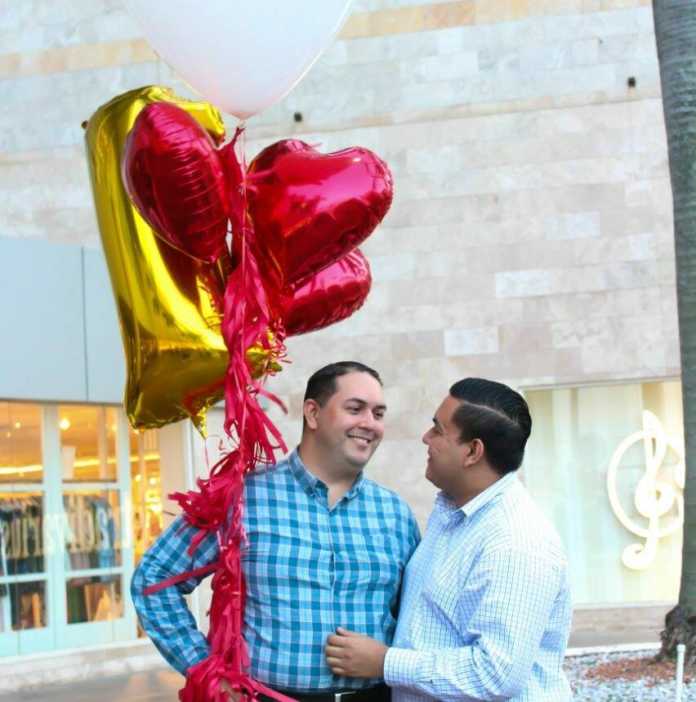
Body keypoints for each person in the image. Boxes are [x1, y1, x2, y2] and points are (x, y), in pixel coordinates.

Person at [132, 361, 420, 701]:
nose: (369, 424)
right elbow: (153, 579)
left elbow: (417, 615)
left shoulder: (395, 514)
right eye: (355, 409)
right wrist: (208, 672)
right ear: (312, 414)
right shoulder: (242, 498)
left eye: (379, 414)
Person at [325, 378, 572, 701]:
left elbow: (495, 674)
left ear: (472, 451)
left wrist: (385, 661)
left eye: (438, 430)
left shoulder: (515, 541)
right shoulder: (456, 515)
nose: (426, 438)